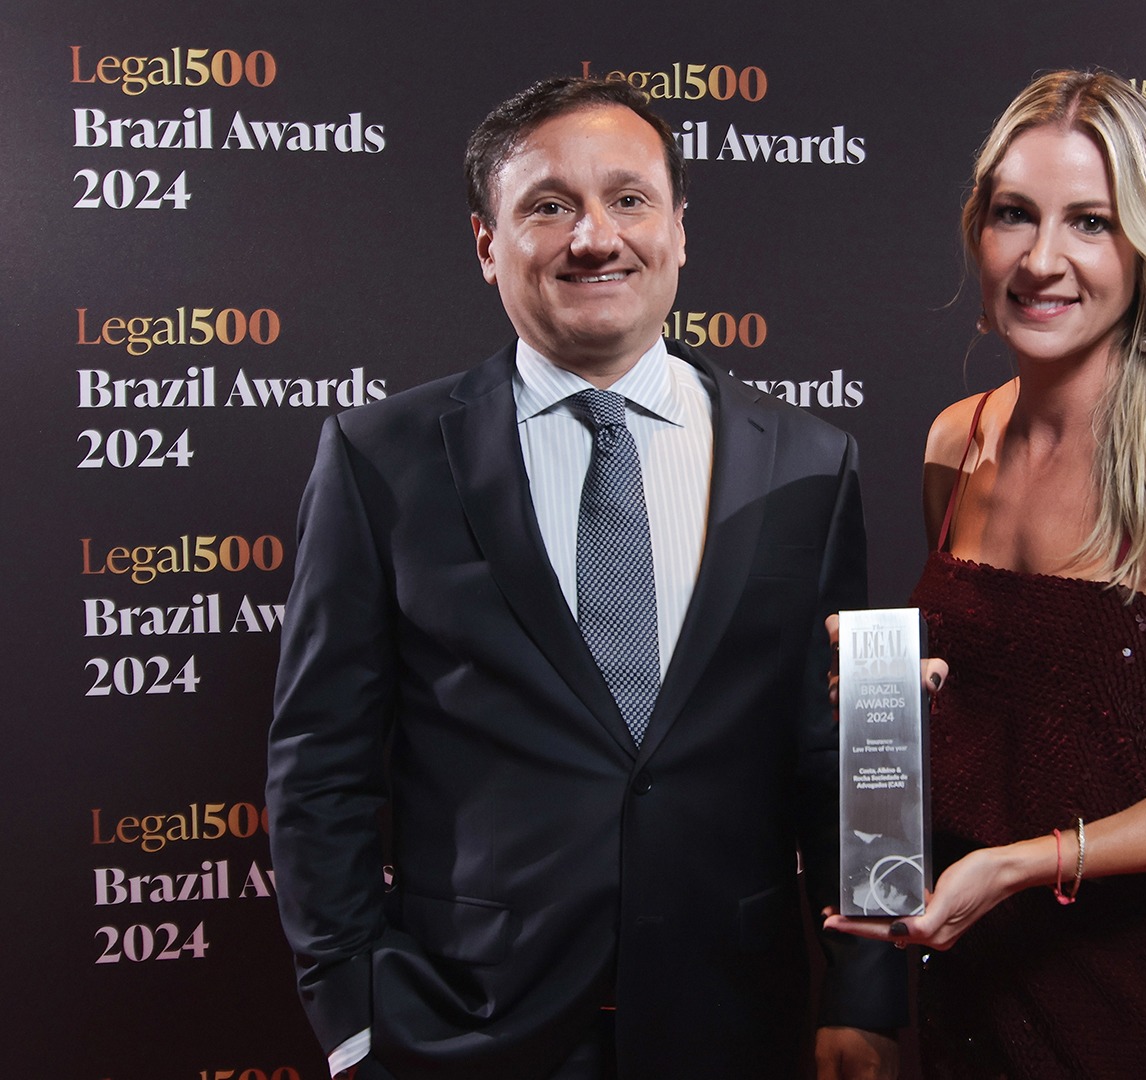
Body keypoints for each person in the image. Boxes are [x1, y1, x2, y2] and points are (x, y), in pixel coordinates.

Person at [266, 76, 905, 1080]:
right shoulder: (379, 458)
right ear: (488, 244)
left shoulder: (811, 466)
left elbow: (843, 761)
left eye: (629, 199)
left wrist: (866, 995)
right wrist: (356, 1020)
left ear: (680, 229)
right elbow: (320, 765)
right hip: (465, 1029)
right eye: (549, 206)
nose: (594, 238)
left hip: (736, 1026)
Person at [825, 70, 1146, 1078]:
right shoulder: (956, 443)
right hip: (976, 1001)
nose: (1041, 260)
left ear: (1144, 247)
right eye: (1015, 214)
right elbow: (1020, 713)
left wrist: (1035, 863)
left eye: (1090, 222)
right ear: (978, 229)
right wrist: (891, 706)